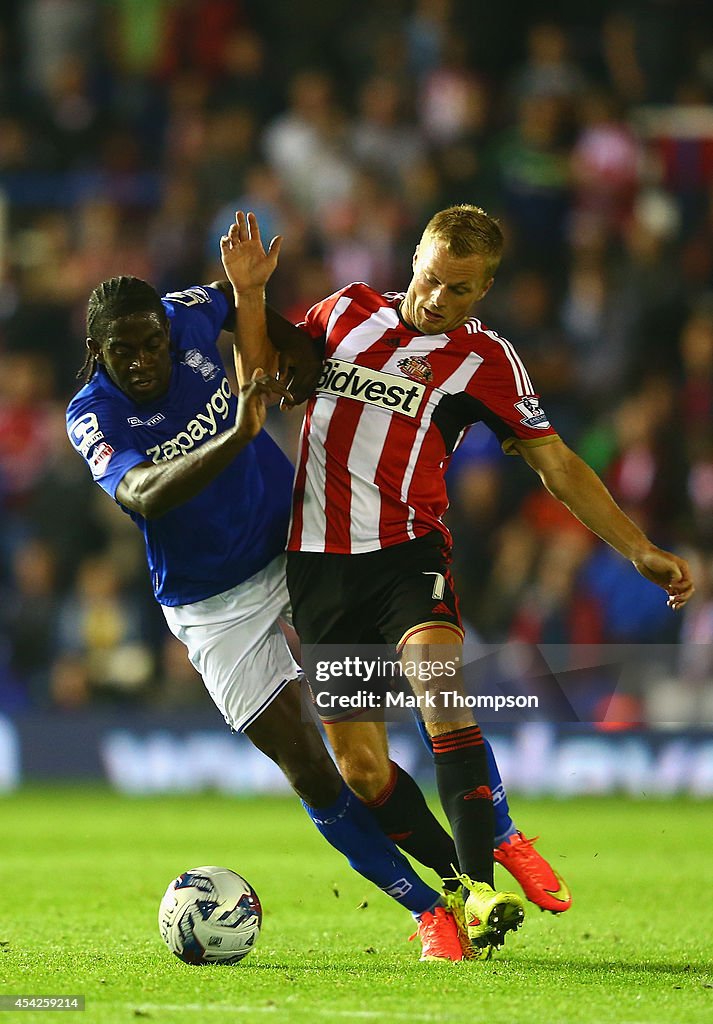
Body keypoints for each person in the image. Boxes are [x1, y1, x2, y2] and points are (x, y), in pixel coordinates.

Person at [223, 205, 695, 956]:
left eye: (462, 291)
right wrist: (250, 298)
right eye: (433, 279)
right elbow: (259, 383)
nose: (440, 299)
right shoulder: (343, 310)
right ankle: (471, 871)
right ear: (413, 256)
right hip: (316, 566)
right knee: (361, 768)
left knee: (440, 692)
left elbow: (556, 463)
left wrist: (636, 548)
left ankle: (481, 883)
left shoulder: (487, 360)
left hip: (407, 555)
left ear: (485, 290)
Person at [65, 272, 478, 963]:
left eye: (152, 344)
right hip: (211, 606)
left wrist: (299, 360)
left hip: (296, 550)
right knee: (310, 771)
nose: (143, 360)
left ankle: (478, 863)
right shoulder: (92, 413)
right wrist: (237, 434)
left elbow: (238, 299)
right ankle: (430, 910)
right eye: (124, 351)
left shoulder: (189, 313)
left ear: (168, 332)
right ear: (96, 350)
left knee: (388, 729)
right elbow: (139, 494)